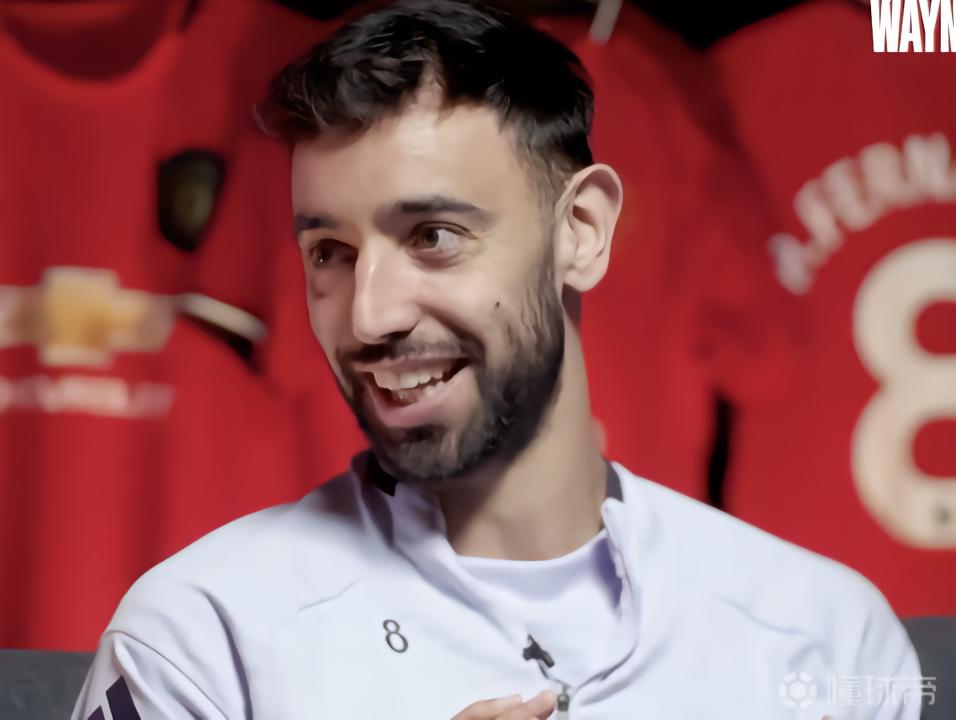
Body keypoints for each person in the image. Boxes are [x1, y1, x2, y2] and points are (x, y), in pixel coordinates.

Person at [72, 2, 921, 718]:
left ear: (581, 232)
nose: (368, 315)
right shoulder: (197, 644)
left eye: (433, 237)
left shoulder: (827, 640)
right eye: (329, 252)